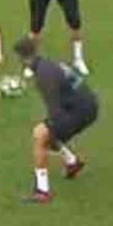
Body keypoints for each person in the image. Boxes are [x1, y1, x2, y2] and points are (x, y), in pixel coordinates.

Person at [13, 36, 98, 203]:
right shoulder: (48, 64)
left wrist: (49, 129)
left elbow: (54, 107)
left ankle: (42, 191)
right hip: (88, 105)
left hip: (80, 110)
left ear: (23, 58)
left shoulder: (43, 75)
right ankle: (72, 162)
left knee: (40, 135)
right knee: (50, 132)